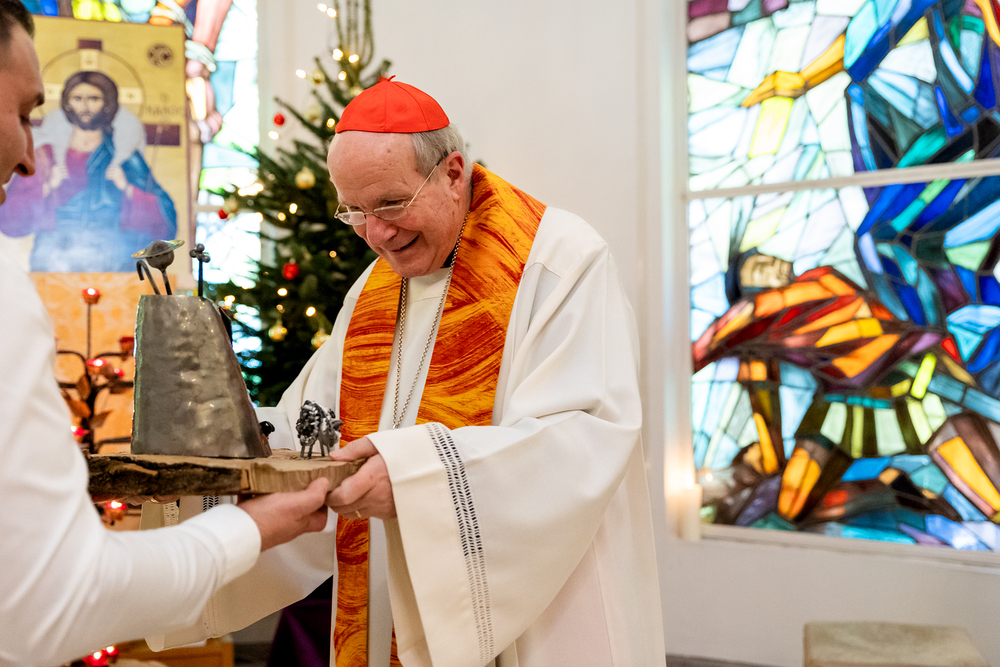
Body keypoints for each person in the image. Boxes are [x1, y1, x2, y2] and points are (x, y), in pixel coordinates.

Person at [154, 78, 664, 666]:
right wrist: (216, 449)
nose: (376, 235)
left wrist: (416, 476)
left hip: (543, 618)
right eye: (355, 212)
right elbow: (314, 427)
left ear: (453, 172)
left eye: (392, 204)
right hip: (386, 606)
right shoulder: (375, 289)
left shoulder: (559, 264)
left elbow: (579, 441)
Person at [0, 4, 333, 665]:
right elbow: (52, 602)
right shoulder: (8, 294)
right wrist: (247, 529)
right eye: (25, 113)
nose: (29, 156)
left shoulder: (124, 157)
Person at [0, 66, 176, 272]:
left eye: (94, 99)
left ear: (107, 104)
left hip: (117, 267)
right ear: (67, 103)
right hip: (53, 266)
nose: (85, 106)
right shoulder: (45, 157)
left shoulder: (125, 159)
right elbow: (9, 220)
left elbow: (166, 223)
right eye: (77, 98)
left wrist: (127, 189)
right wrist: (47, 187)